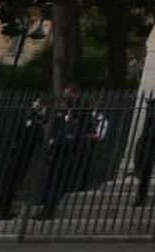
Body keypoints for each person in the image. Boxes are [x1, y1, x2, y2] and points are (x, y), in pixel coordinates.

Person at [36, 86, 97, 220]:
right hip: (59, 148)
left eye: (68, 95)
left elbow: (81, 129)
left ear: (75, 94)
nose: (66, 98)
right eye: (65, 96)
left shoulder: (81, 109)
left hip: (69, 150)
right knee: (51, 180)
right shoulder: (66, 110)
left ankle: (49, 209)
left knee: (57, 181)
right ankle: (46, 207)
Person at [0, 98, 46, 220]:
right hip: (18, 155)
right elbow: (31, 135)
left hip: (23, 156)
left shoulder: (34, 120)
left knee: (13, 184)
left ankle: (4, 210)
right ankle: (0, 211)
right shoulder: (28, 119)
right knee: (8, 184)